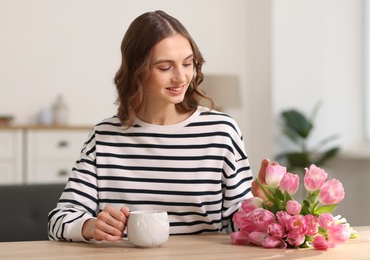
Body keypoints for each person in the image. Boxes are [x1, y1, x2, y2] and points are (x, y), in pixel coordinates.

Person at [47, 10, 269, 243]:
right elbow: (59, 220)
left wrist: (260, 205)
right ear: (137, 71)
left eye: (187, 63)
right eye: (165, 67)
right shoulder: (105, 136)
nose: (181, 77)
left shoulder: (221, 131)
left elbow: (237, 222)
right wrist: (90, 226)